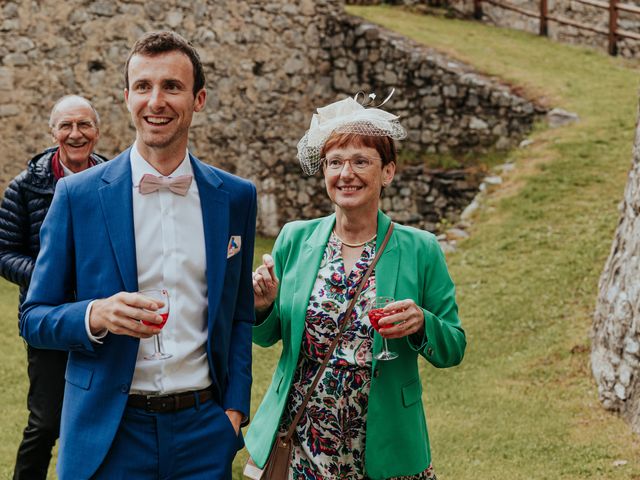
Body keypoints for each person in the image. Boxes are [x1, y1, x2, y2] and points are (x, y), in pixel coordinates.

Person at [20, 31, 256, 479]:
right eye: (143, 87)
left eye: (172, 86)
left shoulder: (237, 197)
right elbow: (33, 318)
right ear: (126, 98)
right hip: (109, 431)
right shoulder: (77, 195)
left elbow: (240, 313)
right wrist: (96, 315)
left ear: (198, 98)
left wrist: (235, 409)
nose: (156, 100)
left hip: (205, 431)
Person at [246, 94, 466, 480]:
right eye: (335, 162)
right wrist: (262, 307)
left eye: (361, 161)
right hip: (305, 441)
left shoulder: (421, 249)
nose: (346, 173)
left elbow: (453, 347)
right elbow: (269, 336)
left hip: (387, 443)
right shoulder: (294, 239)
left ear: (388, 172)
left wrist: (421, 323)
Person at [0, 94, 106, 480]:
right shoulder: (25, 188)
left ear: (97, 130)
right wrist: (51, 276)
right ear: (53, 132)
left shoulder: (116, 180)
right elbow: (5, 252)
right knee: (45, 422)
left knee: (105, 420)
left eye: (84, 125)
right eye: (66, 126)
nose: (75, 134)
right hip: (48, 320)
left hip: (104, 320)